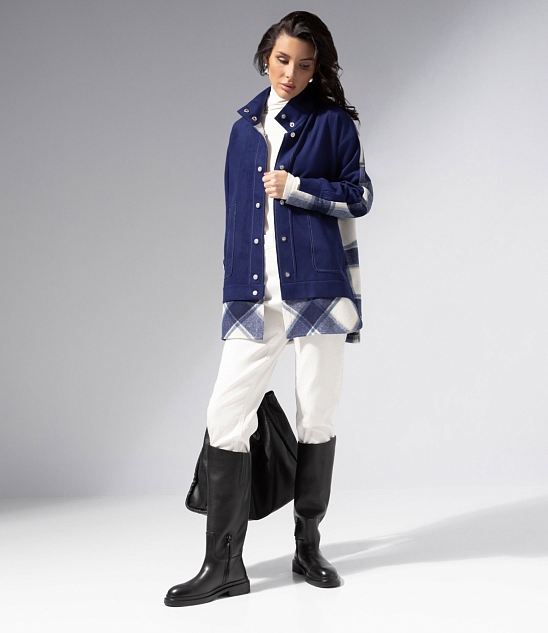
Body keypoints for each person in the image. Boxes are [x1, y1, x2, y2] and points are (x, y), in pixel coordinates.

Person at [164, 10, 373, 607]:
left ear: (317, 68)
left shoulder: (333, 123)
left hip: (318, 289)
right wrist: (234, 284)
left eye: (304, 65)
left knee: (316, 416)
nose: (290, 74)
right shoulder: (243, 130)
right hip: (255, 293)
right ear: (265, 58)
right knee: (226, 414)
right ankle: (224, 564)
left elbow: (360, 195)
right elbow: (236, 216)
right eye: (282, 60)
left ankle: (308, 545)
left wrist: (299, 188)